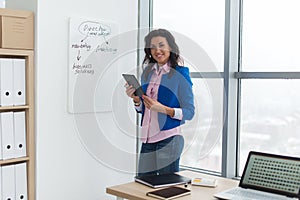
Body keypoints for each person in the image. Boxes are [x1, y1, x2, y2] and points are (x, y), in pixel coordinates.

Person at [125, 29, 195, 176]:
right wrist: (137, 100)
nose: (157, 50)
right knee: (143, 185)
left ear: (170, 47)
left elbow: (189, 112)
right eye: (153, 46)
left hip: (169, 140)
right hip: (147, 139)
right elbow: (144, 110)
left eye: (161, 45)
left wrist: (163, 109)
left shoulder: (180, 73)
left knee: (166, 189)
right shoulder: (148, 73)